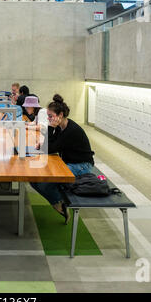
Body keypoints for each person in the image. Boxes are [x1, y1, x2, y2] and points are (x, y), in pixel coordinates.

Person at [31, 94, 95, 224]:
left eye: (50, 116)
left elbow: (49, 149)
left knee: (45, 183)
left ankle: (59, 204)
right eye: (48, 116)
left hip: (82, 165)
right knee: (33, 179)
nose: (48, 119)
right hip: (70, 162)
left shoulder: (70, 130)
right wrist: (44, 143)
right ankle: (58, 201)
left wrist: (50, 129)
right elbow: (50, 145)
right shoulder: (62, 127)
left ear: (60, 115)